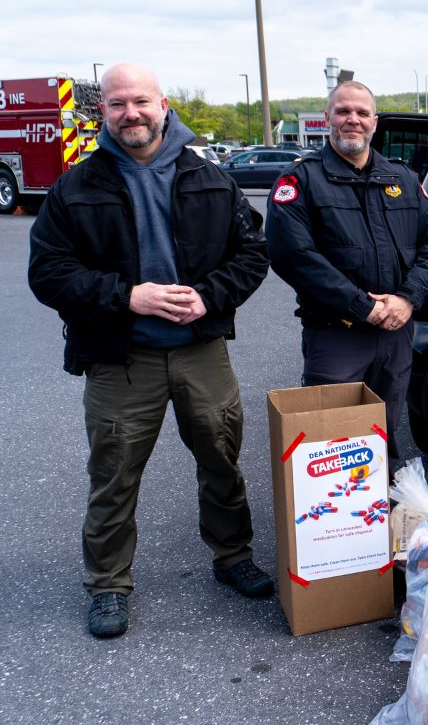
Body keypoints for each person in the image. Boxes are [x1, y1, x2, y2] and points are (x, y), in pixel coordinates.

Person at [28, 63, 273, 639]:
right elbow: (48, 272)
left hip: (199, 348)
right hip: (119, 355)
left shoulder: (210, 178)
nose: (130, 113)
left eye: (139, 101)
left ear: (163, 105)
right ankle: (109, 585)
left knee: (220, 457)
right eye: (117, 104)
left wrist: (209, 298)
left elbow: (252, 252)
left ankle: (233, 556)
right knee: (114, 472)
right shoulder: (77, 186)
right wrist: (126, 296)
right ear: (104, 112)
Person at [265, 81, 428, 469]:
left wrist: (406, 299)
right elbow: (294, 256)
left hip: (395, 331)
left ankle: (381, 515)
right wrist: (361, 306)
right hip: (336, 333)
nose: (353, 120)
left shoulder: (404, 180)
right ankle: (331, 525)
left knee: (384, 432)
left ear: (374, 123)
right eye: (344, 111)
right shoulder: (300, 181)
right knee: (330, 443)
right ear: (327, 118)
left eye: (362, 113)